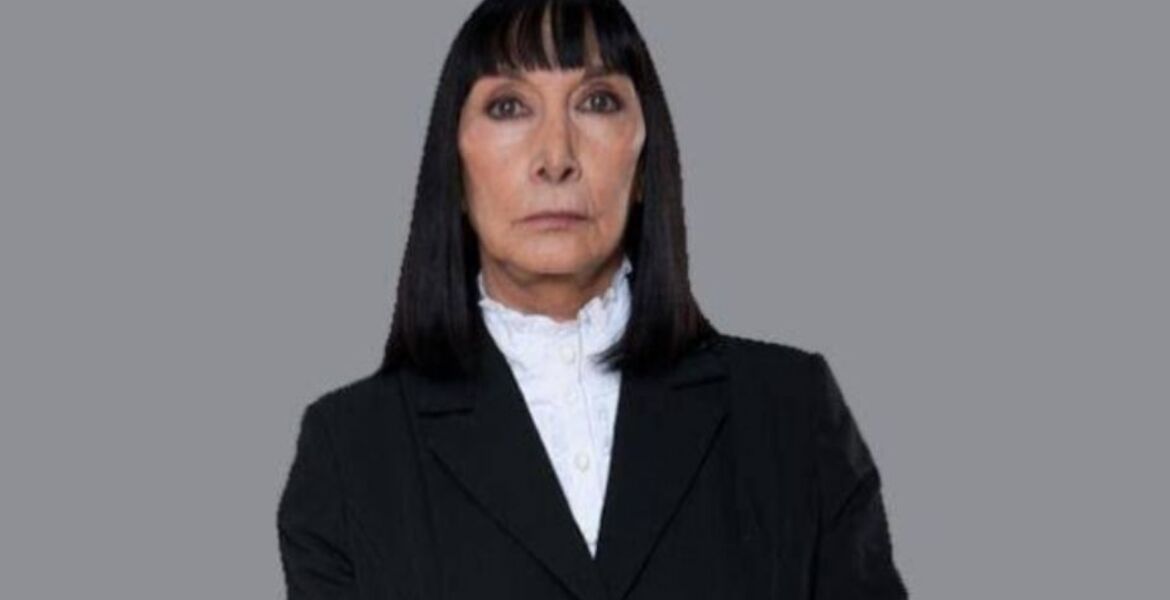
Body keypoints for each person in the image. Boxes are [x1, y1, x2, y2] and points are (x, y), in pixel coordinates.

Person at [276, 1, 909, 598]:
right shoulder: (351, 453)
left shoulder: (791, 414)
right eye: (508, 107)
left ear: (644, 161)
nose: (556, 157)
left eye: (597, 102)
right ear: (455, 168)